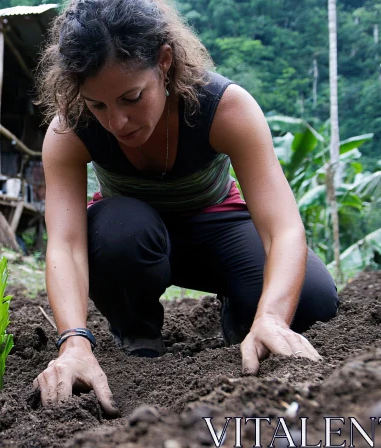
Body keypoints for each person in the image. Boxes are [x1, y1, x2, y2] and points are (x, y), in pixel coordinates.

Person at [32, 0, 340, 416]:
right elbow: (65, 246)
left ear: (164, 61)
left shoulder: (225, 107)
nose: (117, 122)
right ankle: (137, 333)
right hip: (132, 242)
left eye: (132, 97)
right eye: (98, 105)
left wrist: (272, 315)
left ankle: (245, 316)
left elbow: (283, 228)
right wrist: (73, 341)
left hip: (216, 227)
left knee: (312, 300)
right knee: (121, 231)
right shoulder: (69, 129)